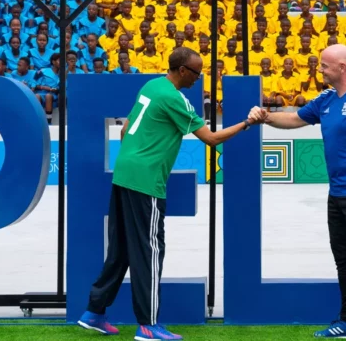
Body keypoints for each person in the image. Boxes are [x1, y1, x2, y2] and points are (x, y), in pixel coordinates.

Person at [78, 47, 263, 341]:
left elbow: (126, 129)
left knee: (122, 249)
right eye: (196, 72)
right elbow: (212, 139)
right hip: (146, 182)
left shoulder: (151, 85)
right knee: (150, 252)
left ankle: (93, 313)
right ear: (181, 70)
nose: (198, 78)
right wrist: (248, 123)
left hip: (124, 173)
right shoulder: (175, 99)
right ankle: (148, 325)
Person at [248, 44, 346, 341]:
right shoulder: (326, 99)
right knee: (344, 257)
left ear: (342, 67)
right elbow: (296, 119)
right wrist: (266, 118)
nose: (318, 69)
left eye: (324, 65)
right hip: (337, 193)